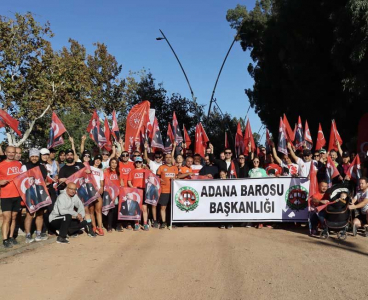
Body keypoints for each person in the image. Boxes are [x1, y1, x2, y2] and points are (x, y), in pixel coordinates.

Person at [58, 149, 96, 237]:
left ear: (73, 156)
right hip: (70, 193)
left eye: (71, 155)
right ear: (66, 157)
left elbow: (88, 171)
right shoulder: (63, 169)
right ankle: (74, 230)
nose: (70, 156)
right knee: (72, 212)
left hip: (82, 190)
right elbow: (60, 180)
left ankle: (89, 229)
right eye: (68, 155)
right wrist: (62, 180)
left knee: (86, 210)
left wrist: (88, 171)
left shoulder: (79, 165)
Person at [20, 148, 49, 243]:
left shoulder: (42, 167)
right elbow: (21, 180)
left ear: (38, 157)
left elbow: (44, 181)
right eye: (32, 156)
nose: (34, 158)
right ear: (29, 157)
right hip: (29, 193)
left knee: (40, 214)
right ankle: (28, 235)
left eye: (36, 156)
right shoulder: (25, 166)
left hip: (40, 193)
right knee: (29, 214)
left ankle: (38, 233)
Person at [0, 146, 22, 248]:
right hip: (6, 195)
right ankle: (5, 240)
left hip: (17, 195)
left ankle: (11, 237)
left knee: (14, 218)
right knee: (6, 218)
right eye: (9, 152)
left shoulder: (18, 164)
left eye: (13, 152)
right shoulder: (1, 165)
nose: (11, 154)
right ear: (5, 153)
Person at [156, 153, 179, 229]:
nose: (168, 158)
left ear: (172, 158)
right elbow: (156, 177)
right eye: (167, 157)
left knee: (172, 207)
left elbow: (178, 177)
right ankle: (163, 222)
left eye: (170, 157)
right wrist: (160, 179)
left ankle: (171, 222)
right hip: (164, 190)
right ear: (164, 159)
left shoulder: (175, 167)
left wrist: (175, 179)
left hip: (174, 191)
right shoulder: (161, 167)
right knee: (163, 207)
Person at [128, 156, 148, 231]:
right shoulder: (132, 171)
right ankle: (136, 223)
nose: (138, 164)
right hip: (136, 190)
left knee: (144, 208)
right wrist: (132, 187)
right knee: (136, 208)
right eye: (137, 162)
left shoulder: (145, 170)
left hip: (144, 190)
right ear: (135, 163)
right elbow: (129, 181)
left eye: (140, 162)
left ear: (142, 163)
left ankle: (145, 223)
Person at [104, 158, 124, 232]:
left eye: (115, 163)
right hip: (109, 192)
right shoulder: (106, 171)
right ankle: (110, 226)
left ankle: (118, 226)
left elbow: (121, 182)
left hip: (118, 192)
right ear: (110, 163)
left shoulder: (119, 171)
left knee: (117, 210)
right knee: (110, 210)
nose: (114, 164)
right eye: (112, 162)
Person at [89, 154, 104, 236]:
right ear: (93, 160)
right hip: (90, 191)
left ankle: (100, 228)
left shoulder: (101, 171)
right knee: (91, 210)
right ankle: (94, 227)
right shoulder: (89, 168)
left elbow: (102, 182)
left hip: (98, 192)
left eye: (99, 160)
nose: (98, 161)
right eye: (96, 159)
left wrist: (102, 187)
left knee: (98, 210)